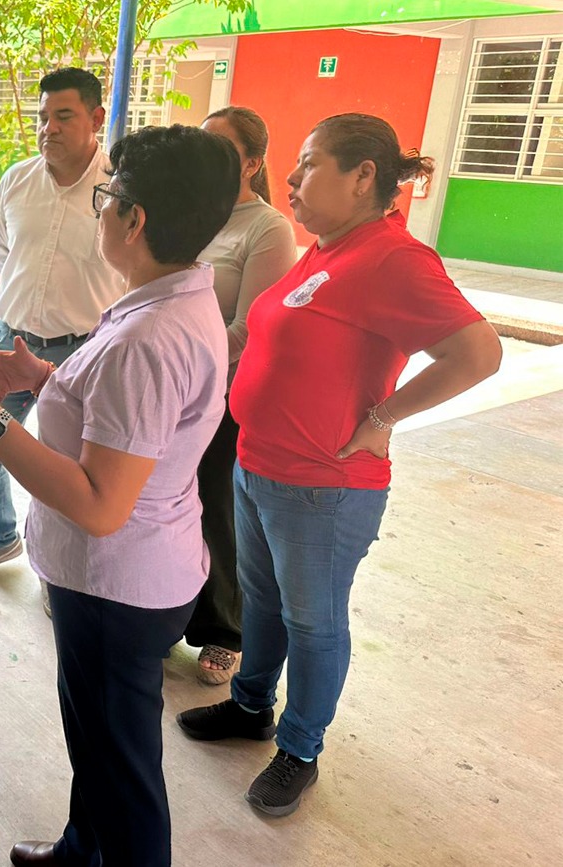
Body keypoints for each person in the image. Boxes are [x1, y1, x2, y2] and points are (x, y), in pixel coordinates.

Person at [0, 125, 240, 866]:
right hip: (134, 570)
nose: (102, 209)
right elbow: (134, 428)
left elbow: (98, 500)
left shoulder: (145, 339)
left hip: (118, 583)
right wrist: (46, 381)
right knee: (99, 742)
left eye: (108, 197)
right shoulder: (171, 301)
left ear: (134, 219)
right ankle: (85, 848)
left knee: (123, 766)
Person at [177, 113, 502, 817]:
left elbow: (478, 353)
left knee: (314, 621)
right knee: (262, 604)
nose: (290, 178)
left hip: (323, 488)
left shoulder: (393, 258)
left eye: (309, 162)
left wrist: (381, 420)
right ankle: (251, 707)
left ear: (363, 177)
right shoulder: (326, 250)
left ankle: (299, 748)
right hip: (258, 467)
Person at [0, 67, 124, 586]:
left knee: (64, 466)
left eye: (63, 116)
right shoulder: (17, 180)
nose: (48, 128)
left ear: (96, 118)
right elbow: (3, 251)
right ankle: (0, 536)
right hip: (12, 339)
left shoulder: (118, 189)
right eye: (42, 117)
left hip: (83, 348)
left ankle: (58, 572)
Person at [185, 106, 297, 685]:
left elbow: (250, 328)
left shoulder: (267, 228)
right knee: (167, 506)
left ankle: (226, 631)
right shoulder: (193, 214)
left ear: (253, 163)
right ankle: (168, 609)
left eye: (222, 148)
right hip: (175, 391)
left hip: (223, 397)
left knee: (215, 512)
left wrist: (178, 355)